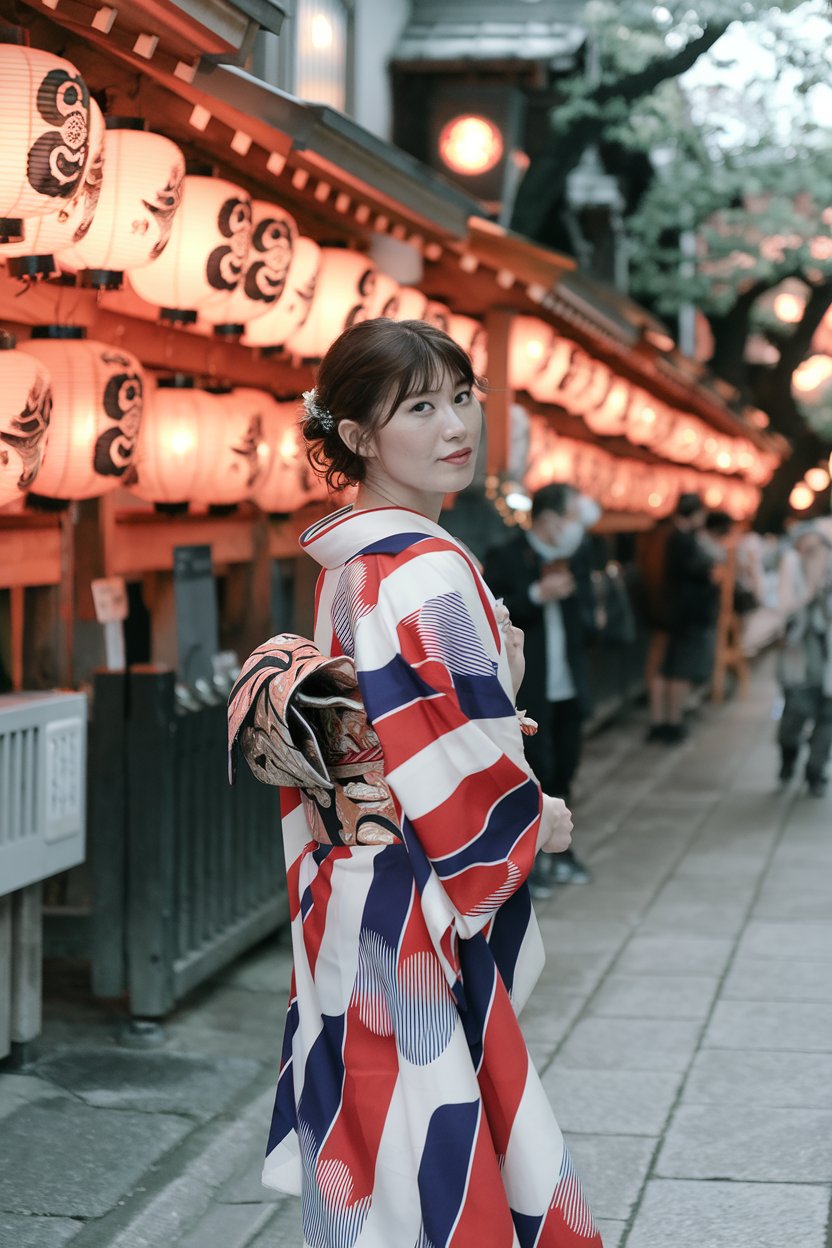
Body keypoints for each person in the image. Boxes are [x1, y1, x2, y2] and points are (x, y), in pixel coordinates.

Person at [232, 319, 603, 1247]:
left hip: (349, 883)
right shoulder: (427, 564)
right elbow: (458, 750)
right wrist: (541, 817)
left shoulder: (355, 562)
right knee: (440, 1150)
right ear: (356, 436)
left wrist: (491, 693)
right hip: (414, 894)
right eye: (421, 406)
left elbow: (400, 719)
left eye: (462, 397)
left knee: (387, 1143)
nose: (455, 425)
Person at [483, 484, 600, 891]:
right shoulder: (508, 553)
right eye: (572, 516)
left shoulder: (576, 556)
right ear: (550, 519)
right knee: (532, 771)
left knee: (565, 767)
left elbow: (586, 619)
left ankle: (561, 851)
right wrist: (536, 594)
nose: (577, 526)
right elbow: (491, 613)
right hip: (527, 687)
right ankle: (524, 865)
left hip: (568, 679)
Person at [646, 492, 721, 743]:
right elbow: (691, 572)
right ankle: (672, 722)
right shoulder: (682, 539)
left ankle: (661, 721)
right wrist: (710, 576)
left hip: (660, 612)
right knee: (677, 670)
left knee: (662, 668)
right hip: (680, 615)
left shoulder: (661, 533)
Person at [776, 521, 832, 797]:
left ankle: (815, 770)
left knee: (828, 718)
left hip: (827, 665)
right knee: (793, 717)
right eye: (807, 550)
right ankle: (788, 757)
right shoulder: (792, 573)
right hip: (799, 664)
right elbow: (784, 614)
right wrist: (809, 591)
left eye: (818, 549)